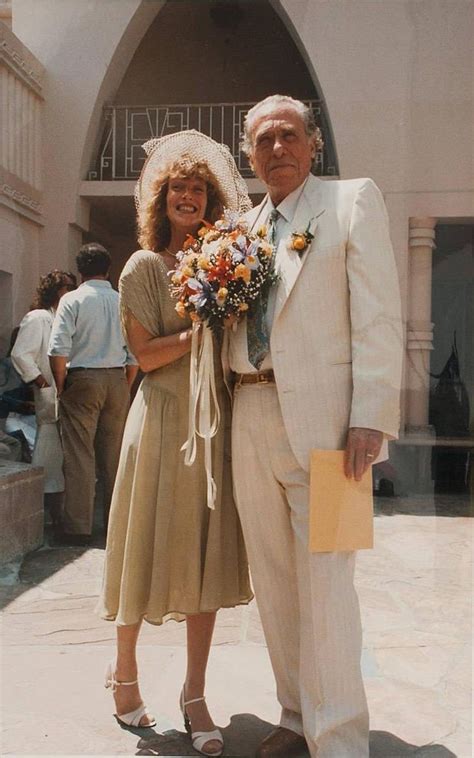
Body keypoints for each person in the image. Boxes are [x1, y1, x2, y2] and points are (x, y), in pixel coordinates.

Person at [225, 95, 403, 758]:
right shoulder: (243, 227)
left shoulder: (352, 201)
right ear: (248, 155)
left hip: (333, 433)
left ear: (312, 143)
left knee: (330, 590)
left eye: (288, 135)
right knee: (274, 583)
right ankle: (297, 716)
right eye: (263, 141)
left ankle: (340, 740)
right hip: (251, 416)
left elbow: (380, 314)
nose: (277, 149)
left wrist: (370, 417)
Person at [97, 130, 253, 756]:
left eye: (198, 190)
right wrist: (202, 329)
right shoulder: (141, 267)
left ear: (210, 200)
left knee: (204, 556)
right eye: (177, 190)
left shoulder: (226, 263)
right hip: (161, 423)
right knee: (147, 544)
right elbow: (144, 355)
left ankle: (194, 693)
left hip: (212, 423)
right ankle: (125, 676)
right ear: (159, 202)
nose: (187, 198)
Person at [48, 244, 138, 545]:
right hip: (116, 378)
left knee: (80, 455)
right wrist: (125, 383)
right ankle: (116, 524)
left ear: (80, 271)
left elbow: (58, 348)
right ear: (108, 269)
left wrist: (60, 385)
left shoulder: (72, 299)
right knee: (113, 455)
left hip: (83, 376)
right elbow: (133, 352)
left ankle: (78, 527)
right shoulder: (122, 300)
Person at [10, 270, 77, 528]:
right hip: (51, 400)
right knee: (47, 459)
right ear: (54, 290)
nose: (71, 291)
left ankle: (57, 514)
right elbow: (21, 355)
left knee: (61, 460)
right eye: (67, 286)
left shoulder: (63, 317)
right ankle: (44, 516)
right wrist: (43, 383)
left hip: (66, 397)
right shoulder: (38, 318)